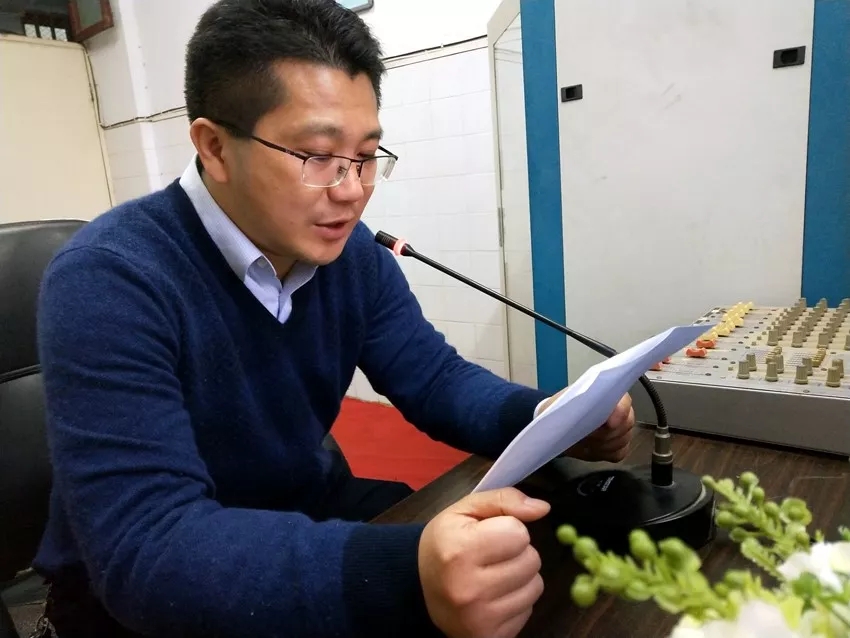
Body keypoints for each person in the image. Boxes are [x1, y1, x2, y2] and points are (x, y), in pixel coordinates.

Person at [33, 1, 634, 636]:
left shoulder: (351, 257)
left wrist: (548, 418)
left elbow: (434, 379)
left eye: (367, 155)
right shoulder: (111, 278)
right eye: (318, 156)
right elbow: (148, 548)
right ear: (214, 147)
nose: (352, 189)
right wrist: (409, 573)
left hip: (300, 511)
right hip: (145, 591)